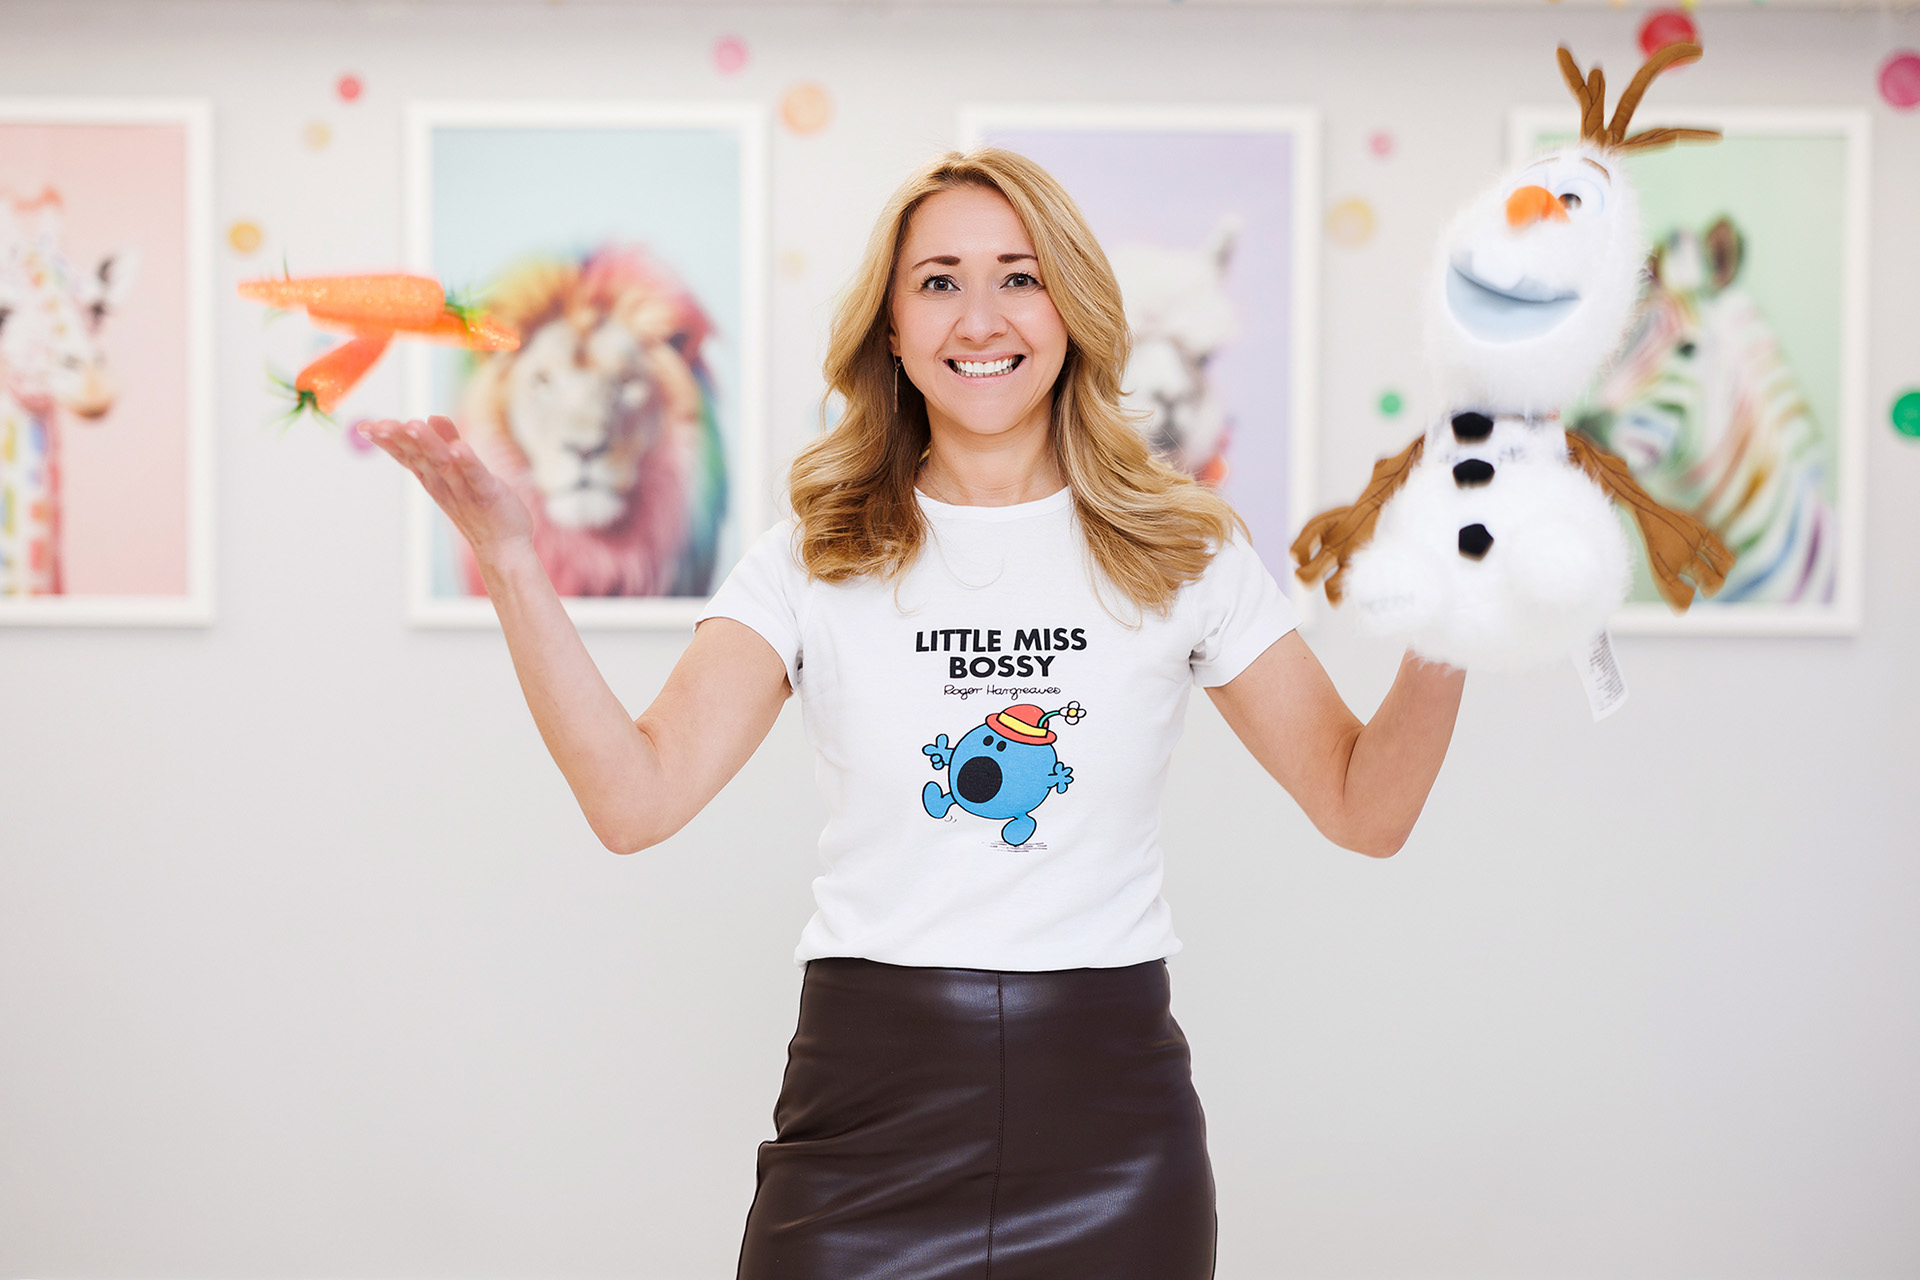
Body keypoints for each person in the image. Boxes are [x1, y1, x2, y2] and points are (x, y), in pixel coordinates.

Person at [364, 148, 1463, 1280]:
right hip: (866, 1109)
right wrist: (508, 558)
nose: (979, 315)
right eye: (938, 280)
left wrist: (1467, 610)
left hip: (1111, 1123)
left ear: (1072, 308)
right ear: (890, 327)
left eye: (1019, 276)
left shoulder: (1184, 548)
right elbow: (633, 799)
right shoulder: (814, 552)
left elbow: (1362, 805)